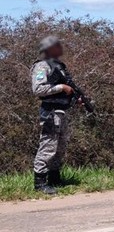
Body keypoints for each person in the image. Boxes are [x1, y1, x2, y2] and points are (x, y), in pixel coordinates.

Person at [31, 35, 78, 195]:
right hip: (50, 112)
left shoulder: (59, 67)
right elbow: (38, 89)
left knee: (60, 147)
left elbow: (68, 88)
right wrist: (61, 88)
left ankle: (54, 178)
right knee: (48, 146)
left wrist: (75, 97)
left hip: (61, 111)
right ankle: (40, 183)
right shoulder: (41, 66)